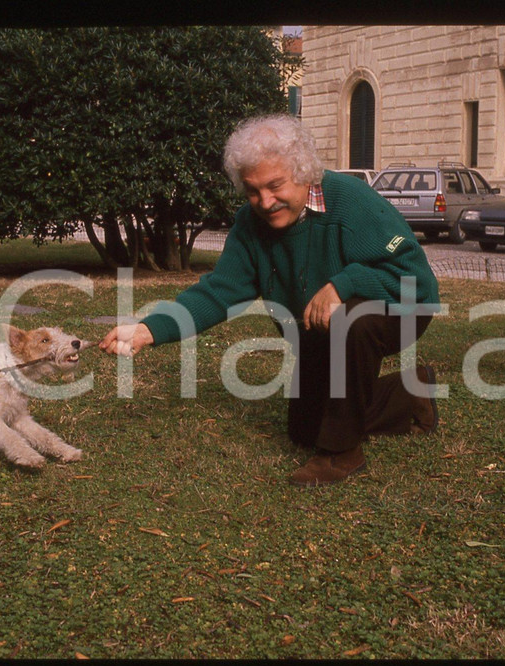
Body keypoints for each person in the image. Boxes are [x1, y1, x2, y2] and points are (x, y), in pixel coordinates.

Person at [99, 113, 441, 486]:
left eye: (275, 185)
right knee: (305, 428)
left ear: (304, 172)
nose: (265, 201)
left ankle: (341, 454)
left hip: (397, 308)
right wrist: (149, 330)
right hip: (318, 329)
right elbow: (218, 291)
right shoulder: (250, 225)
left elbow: (416, 280)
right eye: (252, 190)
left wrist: (345, 283)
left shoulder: (352, 202)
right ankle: (411, 393)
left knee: (351, 320)